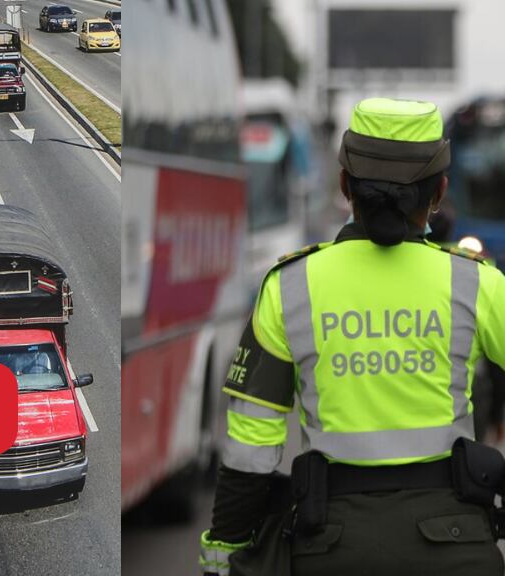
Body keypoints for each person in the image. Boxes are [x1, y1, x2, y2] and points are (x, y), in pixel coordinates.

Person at [200, 98, 505, 576]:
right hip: (458, 548)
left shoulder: (289, 286)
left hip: (329, 548)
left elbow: (250, 447)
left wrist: (225, 550)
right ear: (440, 192)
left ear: (344, 185)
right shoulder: (479, 283)